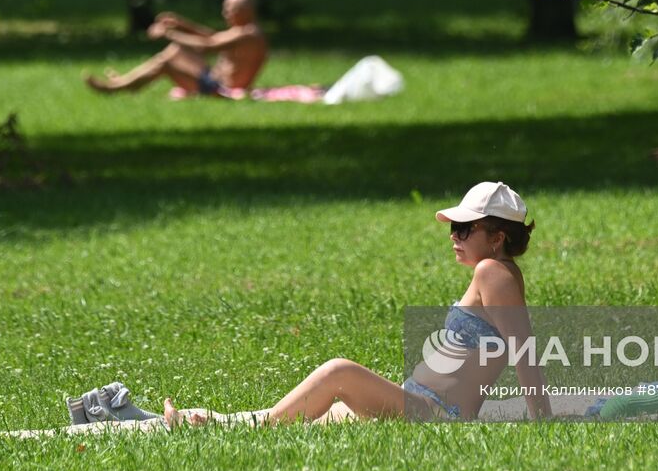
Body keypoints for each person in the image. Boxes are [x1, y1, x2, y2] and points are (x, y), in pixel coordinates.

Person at [160, 181, 553, 426]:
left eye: (465, 229)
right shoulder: (499, 273)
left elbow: (524, 351)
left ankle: (229, 425)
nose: (455, 236)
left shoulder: (493, 273)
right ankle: (219, 422)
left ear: (498, 237)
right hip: (421, 401)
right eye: (454, 228)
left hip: (435, 413)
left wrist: (543, 421)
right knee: (318, 417)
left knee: (338, 372)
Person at [84, 0, 268, 97]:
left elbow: (206, 46)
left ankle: (117, 87)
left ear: (246, 10)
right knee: (175, 51)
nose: (225, 13)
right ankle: (127, 83)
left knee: (168, 59)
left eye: (229, 9)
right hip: (214, 81)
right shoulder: (245, 31)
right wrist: (182, 24)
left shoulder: (249, 34)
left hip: (220, 90)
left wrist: (168, 33)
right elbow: (212, 38)